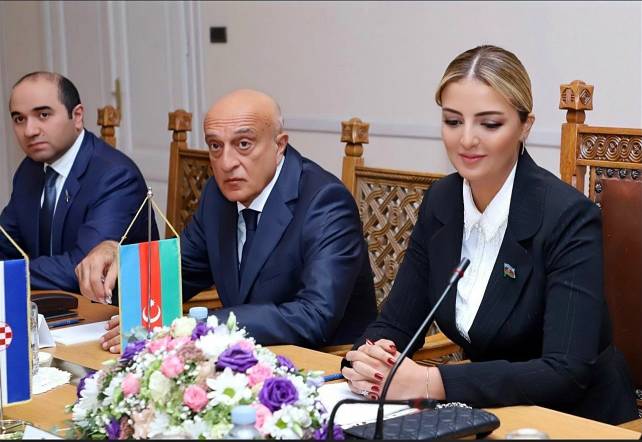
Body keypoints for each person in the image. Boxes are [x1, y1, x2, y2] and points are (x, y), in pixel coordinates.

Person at [341, 45, 638, 425]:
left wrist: (431, 382)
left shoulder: (568, 217)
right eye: (453, 121)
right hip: (488, 411)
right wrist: (370, 356)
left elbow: (565, 371)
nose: (466, 140)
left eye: (490, 124)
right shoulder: (442, 201)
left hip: (576, 419)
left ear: (525, 126)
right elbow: (398, 323)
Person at [76, 88, 377, 353]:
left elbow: (314, 317)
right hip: (239, 357)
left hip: (324, 364)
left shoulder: (325, 202)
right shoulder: (218, 196)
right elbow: (178, 274)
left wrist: (194, 327)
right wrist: (113, 265)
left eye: (243, 144)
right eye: (215, 146)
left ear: (279, 145)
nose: (226, 163)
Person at [1, 71, 156, 298]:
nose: (29, 131)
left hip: (110, 311)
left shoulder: (116, 176)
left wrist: (8, 273)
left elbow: (82, 268)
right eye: (19, 119)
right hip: (48, 305)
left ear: (77, 116)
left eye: (43, 115)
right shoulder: (30, 169)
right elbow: (6, 242)